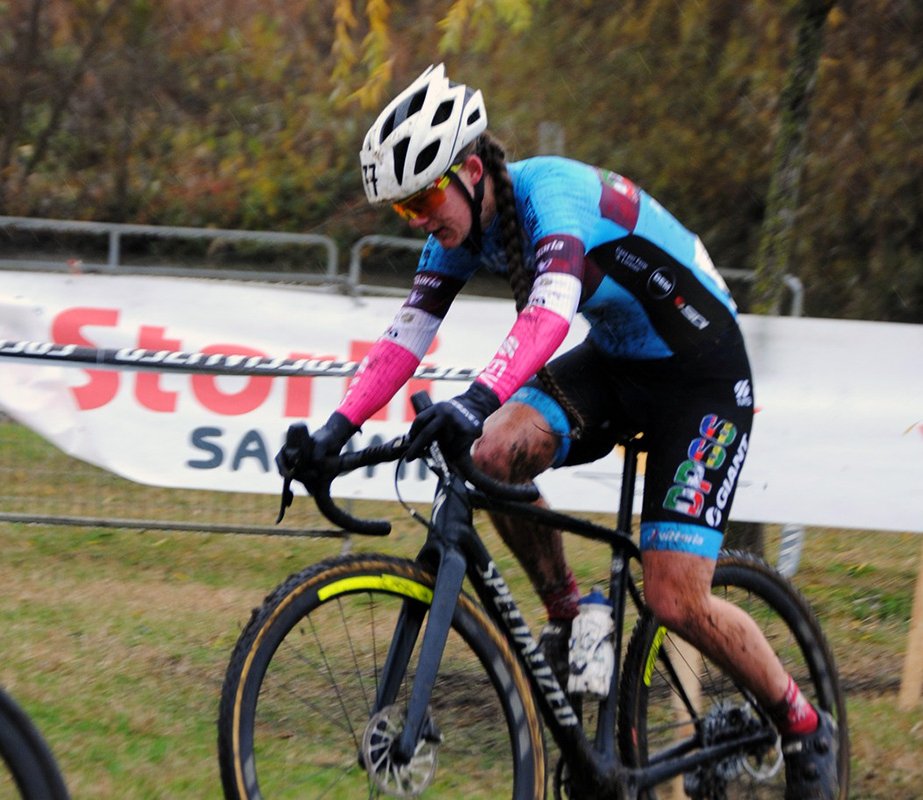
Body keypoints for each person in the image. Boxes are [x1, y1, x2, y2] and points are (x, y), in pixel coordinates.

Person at [292, 64, 839, 800]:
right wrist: (333, 429)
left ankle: (804, 725)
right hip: (617, 361)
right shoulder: (462, 226)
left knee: (675, 598)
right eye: (402, 210)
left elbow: (547, 317)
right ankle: (576, 617)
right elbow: (407, 333)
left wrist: (475, 395)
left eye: (422, 197)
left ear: (472, 170)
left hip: (700, 377)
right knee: (490, 454)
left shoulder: (555, 196)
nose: (419, 219)